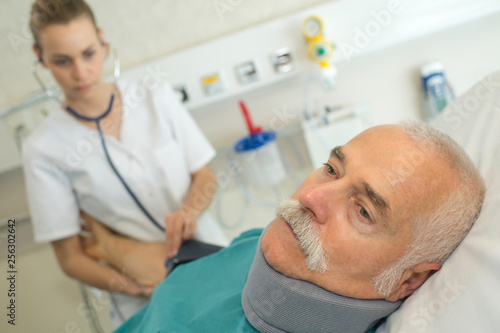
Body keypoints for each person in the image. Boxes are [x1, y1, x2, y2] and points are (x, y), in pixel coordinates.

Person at [83, 122, 485, 333]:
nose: (311, 196)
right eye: (331, 169)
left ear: (408, 280)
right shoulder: (276, 244)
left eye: (362, 210)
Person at [23, 0, 227, 326]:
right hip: (142, 299)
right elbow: (70, 258)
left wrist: (189, 210)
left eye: (88, 53)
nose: (80, 72)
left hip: (211, 259)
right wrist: (138, 289)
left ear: (102, 41)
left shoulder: (153, 95)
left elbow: (205, 174)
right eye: (62, 61)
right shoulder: (43, 149)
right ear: (40, 57)